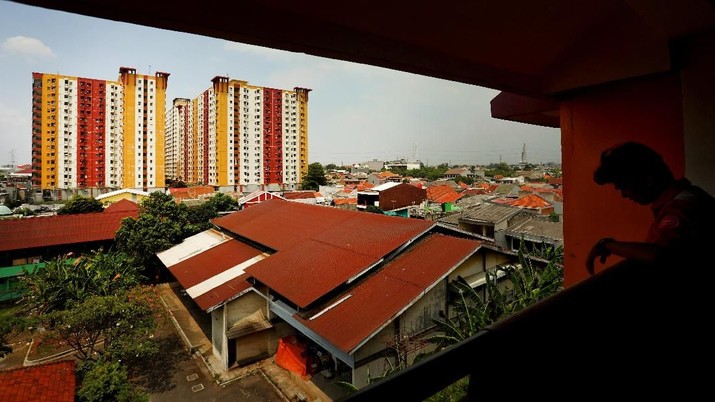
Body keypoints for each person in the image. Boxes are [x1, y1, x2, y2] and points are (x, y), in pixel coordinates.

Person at [585, 141, 715, 275]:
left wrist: (608, 245)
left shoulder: (680, 207)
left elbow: (662, 255)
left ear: (647, 180)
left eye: (624, 186)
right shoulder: (690, 196)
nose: (624, 195)